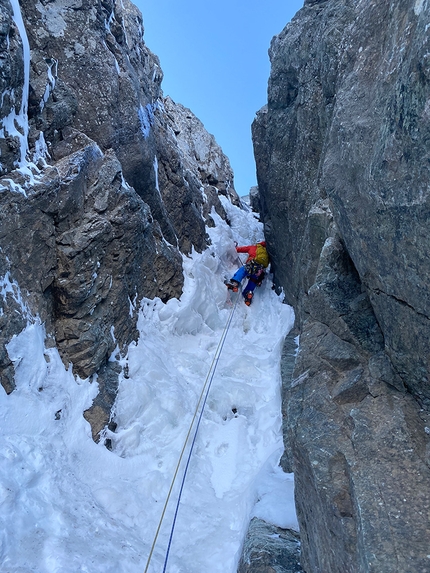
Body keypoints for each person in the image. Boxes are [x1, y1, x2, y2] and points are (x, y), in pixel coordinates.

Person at [225, 241, 270, 305]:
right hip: (260, 270)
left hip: (251, 265)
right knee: (253, 280)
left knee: (243, 270)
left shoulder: (253, 247)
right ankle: (248, 293)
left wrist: (234, 248)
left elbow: (239, 249)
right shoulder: (266, 254)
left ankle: (235, 283)